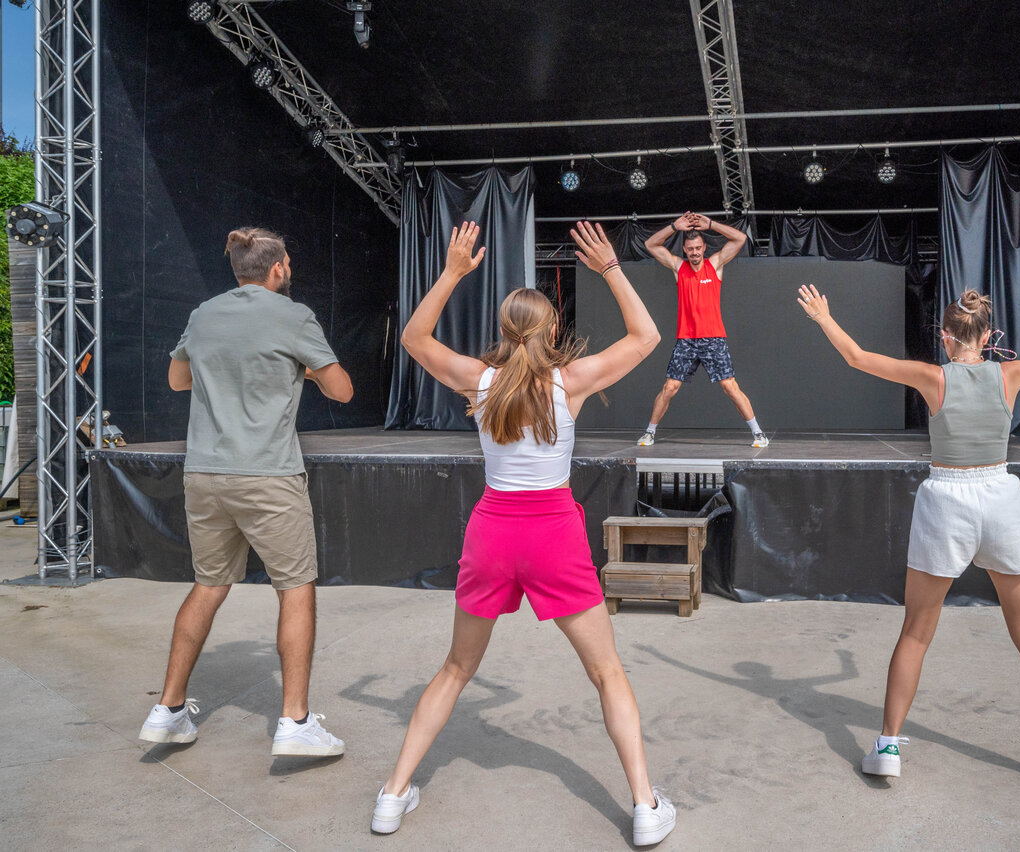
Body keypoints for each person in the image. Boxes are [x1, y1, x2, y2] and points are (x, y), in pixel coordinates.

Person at [370, 221, 677, 846]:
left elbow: (412, 336)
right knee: (608, 673)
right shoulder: (572, 381)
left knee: (456, 668)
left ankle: (391, 796)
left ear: (505, 332)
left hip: (492, 532)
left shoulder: (478, 381)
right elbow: (647, 336)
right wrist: (612, 269)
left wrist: (455, 271)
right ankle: (646, 807)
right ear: (552, 331)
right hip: (553, 533)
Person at [796, 284, 1020, 784]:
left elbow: (856, 357)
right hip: (1001, 499)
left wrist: (825, 317)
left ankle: (888, 746)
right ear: (987, 335)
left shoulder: (933, 377)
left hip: (948, 501)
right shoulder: (1010, 374)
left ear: (945, 337)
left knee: (916, 632)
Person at [138, 228, 353, 758]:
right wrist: (301, 367)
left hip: (205, 474)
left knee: (207, 585)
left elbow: (177, 381)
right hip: (268, 475)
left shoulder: (203, 314)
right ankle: (295, 722)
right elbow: (341, 390)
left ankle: (167, 711)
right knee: (296, 587)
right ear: (278, 267)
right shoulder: (294, 316)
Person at [636, 212, 768, 448]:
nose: (694, 252)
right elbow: (650, 244)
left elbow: (740, 239)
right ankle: (649, 432)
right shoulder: (679, 267)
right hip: (686, 340)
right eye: (690, 249)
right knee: (669, 387)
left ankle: (758, 434)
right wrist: (674, 226)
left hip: (714, 339)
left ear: (703, 247)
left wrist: (710, 224)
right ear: (685, 250)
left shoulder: (715, 264)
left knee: (730, 386)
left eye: (698, 248)